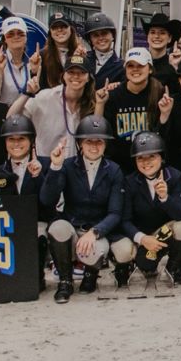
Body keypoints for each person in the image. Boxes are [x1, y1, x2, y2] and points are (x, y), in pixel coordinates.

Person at [41, 115, 127, 303]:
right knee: (57, 228)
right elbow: (47, 199)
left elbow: (115, 213)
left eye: (99, 142)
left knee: (96, 250)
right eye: (89, 141)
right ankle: (65, 280)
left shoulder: (114, 170)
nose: (94, 146)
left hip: (97, 229)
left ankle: (90, 274)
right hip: (73, 223)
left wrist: (95, 232)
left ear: (105, 145)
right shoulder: (68, 165)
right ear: (80, 143)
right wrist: (55, 166)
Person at [115, 131, 181, 285]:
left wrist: (165, 197)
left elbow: (179, 214)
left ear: (161, 157)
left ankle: (173, 269)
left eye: (152, 156)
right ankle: (130, 264)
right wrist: (142, 239)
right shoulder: (129, 182)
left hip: (164, 233)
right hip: (142, 235)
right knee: (146, 265)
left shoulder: (174, 176)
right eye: (140, 158)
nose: (146, 162)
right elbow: (125, 220)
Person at [0, 114, 51, 290]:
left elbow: (48, 202)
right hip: (8, 224)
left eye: (21, 139)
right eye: (11, 139)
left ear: (31, 141)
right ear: (5, 142)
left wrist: (38, 176)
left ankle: (37, 275)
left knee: (40, 233)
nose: (16, 143)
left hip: (37, 222)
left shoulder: (46, 164)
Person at [95, 47, 172, 174]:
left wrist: (165, 114)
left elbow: (165, 138)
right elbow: (101, 132)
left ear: (150, 69)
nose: (135, 69)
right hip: (120, 167)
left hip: (150, 166)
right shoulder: (113, 95)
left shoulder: (160, 94)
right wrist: (100, 104)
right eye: (130, 66)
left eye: (140, 65)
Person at [9, 54, 96, 158]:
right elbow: (10, 119)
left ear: (88, 78)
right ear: (64, 75)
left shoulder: (92, 103)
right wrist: (27, 94)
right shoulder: (45, 97)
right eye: (71, 72)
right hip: (46, 164)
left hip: (75, 167)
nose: (76, 76)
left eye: (81, 73)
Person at [0, 16, 39, 105]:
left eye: (20, 33)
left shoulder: (32, 63)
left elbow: (37, 96)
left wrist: (34, 72)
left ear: (26, 37)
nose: (16, 37)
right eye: (10, 34)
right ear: (4, 39)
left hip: (25, 116)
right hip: (1, 116)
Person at [39, 12, 82, 90]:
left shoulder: (81, 53)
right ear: (50, 32)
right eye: (54, 27)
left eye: (64, 26)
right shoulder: (41, 55)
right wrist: (34, 71)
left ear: (71, 29)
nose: (59, 30)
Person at [142, 13, 181, 89]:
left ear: (170, 38)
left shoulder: (175, 65)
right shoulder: (139, 62)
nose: (157, 36)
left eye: (162, 33)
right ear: (147, 37)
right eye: (153, 32)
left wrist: (174, 68)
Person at [83, 12, 124, 88]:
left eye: (104, 33)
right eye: (95, 35)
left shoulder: (122, 66)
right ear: (90, 40)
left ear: (112, 36)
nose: (101, 38)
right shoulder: (83, 59)